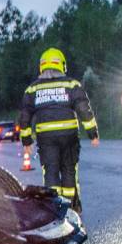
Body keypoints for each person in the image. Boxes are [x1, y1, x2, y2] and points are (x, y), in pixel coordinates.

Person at [18, 47, 100, 211]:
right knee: (69, 170)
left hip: (46, 138)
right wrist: (93, 134)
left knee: (51, 171)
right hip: (69, 136)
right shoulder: (71, 84)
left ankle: (55, 209)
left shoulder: (32, 89)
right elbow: (84, 110)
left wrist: (26, 141)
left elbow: (25, 117)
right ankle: (71, 208)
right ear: (62, 65)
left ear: (42, 66)